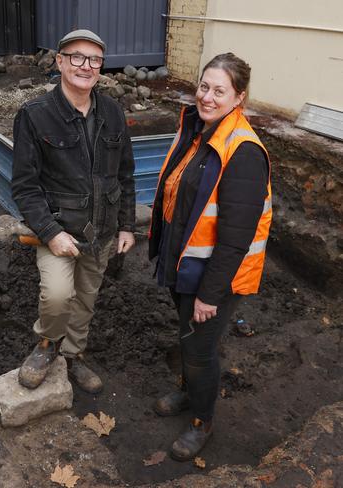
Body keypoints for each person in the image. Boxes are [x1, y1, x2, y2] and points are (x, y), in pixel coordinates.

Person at [148, 52, 272, 460]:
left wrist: (210, 295)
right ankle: (187, 391)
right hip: (187, 268)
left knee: (200, 351)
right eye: (204, 86)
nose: (207, 96)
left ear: (239, 98)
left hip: (214, 279)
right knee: (188, 338)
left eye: (220, 90)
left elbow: (236, 238)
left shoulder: (243, 152)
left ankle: (202, 420)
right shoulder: (199, 132)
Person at [11, 29, 136, 394]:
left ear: (100, 67)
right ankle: (47, 344)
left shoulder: (113, 113)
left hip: (103, 230)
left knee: (86, 298)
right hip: (59, 229)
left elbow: (125, 174)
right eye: (77, 57)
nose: (86, 65)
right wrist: (50, 232)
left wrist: (127, 226)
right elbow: (25, 186)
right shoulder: (36, 116)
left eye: (94, 59)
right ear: (61, 62)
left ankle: (73, 354)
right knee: (57, 295)